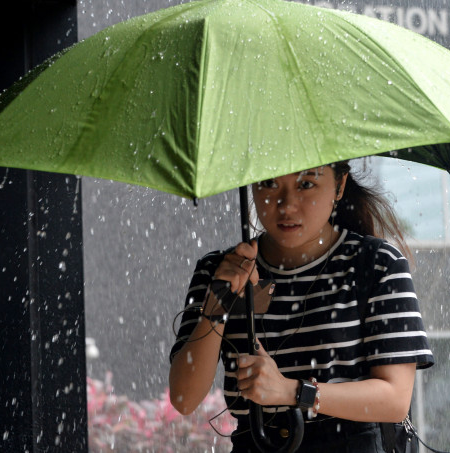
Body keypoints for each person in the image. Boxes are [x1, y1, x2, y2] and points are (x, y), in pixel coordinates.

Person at [169, 159, 434, 452]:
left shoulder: (378, 264)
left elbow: (394, 399)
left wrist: (293, 391)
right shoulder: (218, 271)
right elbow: (184, 398)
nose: (287, 205)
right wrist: (217, 306)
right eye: (268, 183)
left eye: (307, 184)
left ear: (339, 184)